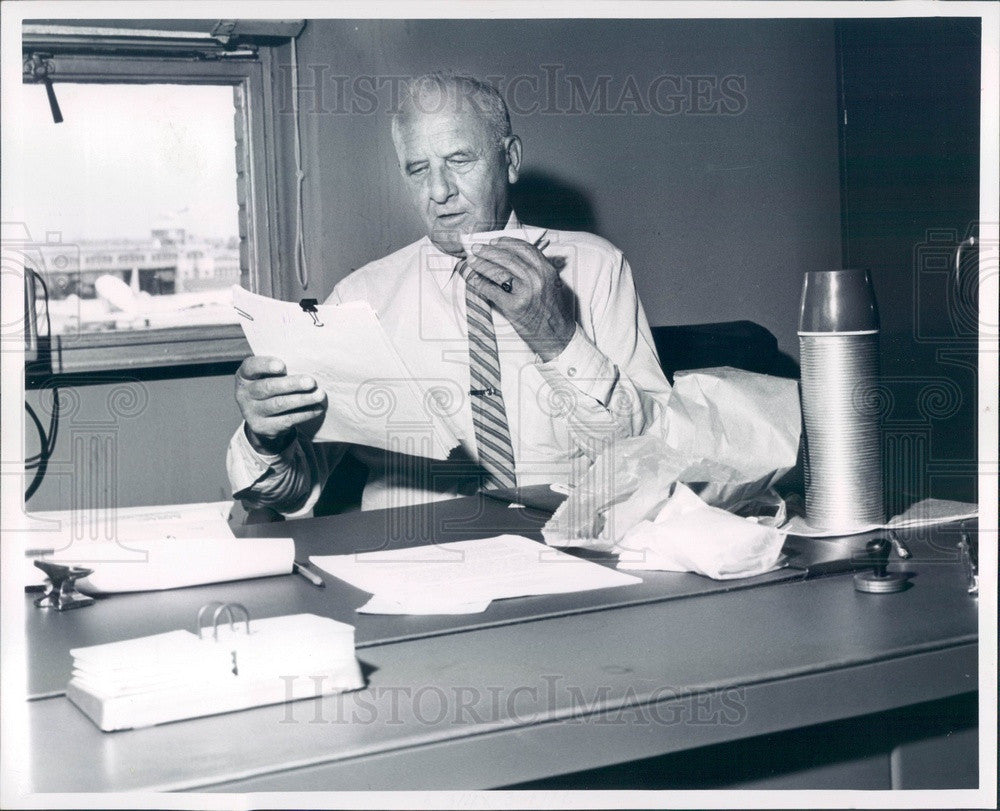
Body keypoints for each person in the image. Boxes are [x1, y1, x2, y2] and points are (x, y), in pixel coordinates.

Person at [227, 73, 670, 515]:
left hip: (567, 547)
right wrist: (267, 437)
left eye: (459, 160)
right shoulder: (360, 299)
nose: (439, 192)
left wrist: (557, 340)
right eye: (418, 169)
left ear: (511, 159)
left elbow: (655, 456)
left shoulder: (595, 268)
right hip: (414, 561)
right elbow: (287, 495)